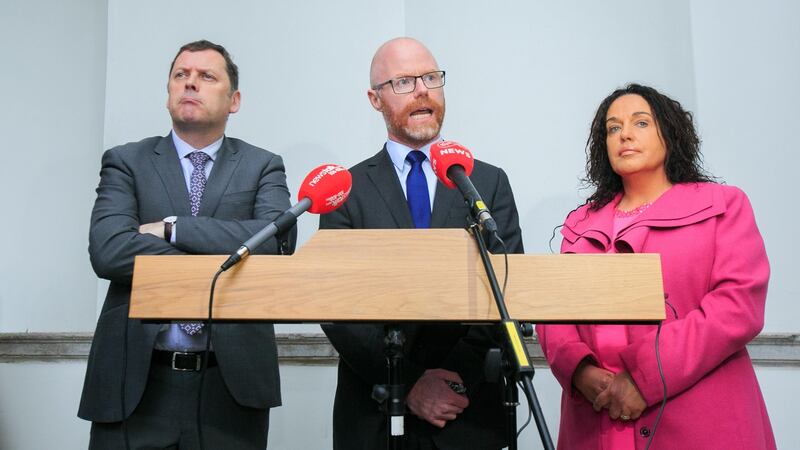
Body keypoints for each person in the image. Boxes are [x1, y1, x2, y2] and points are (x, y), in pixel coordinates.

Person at [78, 40, 294, 449]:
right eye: (181, 75)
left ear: (234, 100)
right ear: (168, 94)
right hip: (135, 383)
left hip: (229, 388)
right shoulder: (127, 162)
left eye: (206, 76)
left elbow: (273, 244)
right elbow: (109, 251)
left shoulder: (263, 165)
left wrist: (173, 230)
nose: (190, 83)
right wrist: (229, 254)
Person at [536, 83, 775, 449]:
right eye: (613, 128)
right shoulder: (581, 223)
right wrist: (580, 371)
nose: (625, 134)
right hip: (595, 420)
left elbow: (737, 306)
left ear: (671, 132)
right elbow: (555, 314)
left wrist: (644, 376)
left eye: (641, 123)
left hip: (700, 420)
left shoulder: (723, 206)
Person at [319, 37, 524, 450]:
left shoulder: (487, 182)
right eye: (404, 81)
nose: (423, 90)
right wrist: (410, 382)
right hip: (374, 413)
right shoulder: (346, 189)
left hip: (466, 413)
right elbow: (335, 307)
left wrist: (452, 379)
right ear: (375, 99)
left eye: (431, 77)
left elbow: (508, 285)